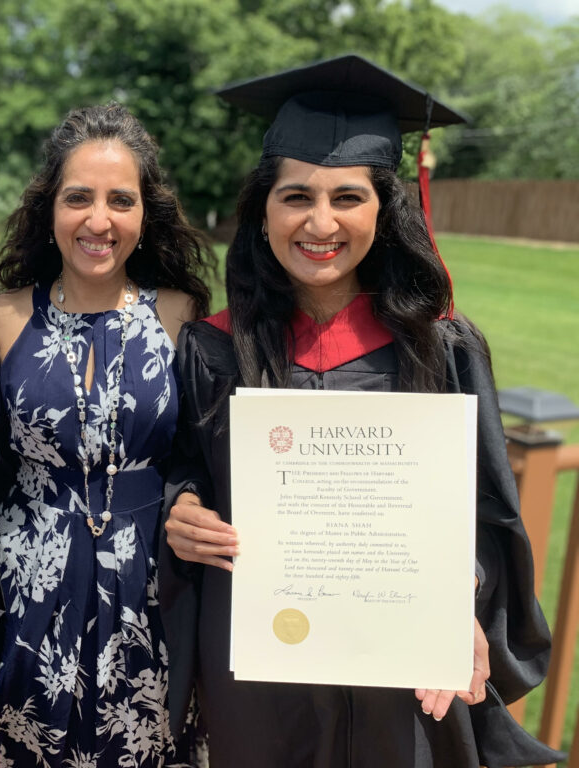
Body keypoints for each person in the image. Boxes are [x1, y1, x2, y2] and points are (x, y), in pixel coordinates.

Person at [160, 55, 562, 768]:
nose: (321, 222)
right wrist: (183, 509)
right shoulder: (214, 349)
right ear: (263, 210)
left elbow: (490, 516)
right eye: (296, 197)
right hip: (263, 680)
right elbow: (186, 471)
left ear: (384, 207)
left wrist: (459, 598)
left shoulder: (444, 348)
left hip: (402, 675)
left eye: (347, 197)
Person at [0, 103, 213, 766]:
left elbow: (199, 455)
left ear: (146, 214)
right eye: (78, 198)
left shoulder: (180, 314)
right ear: (48, 209)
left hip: (150, 584)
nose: (98, 220)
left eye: (121, 200)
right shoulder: (2, 318)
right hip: (31, 583)